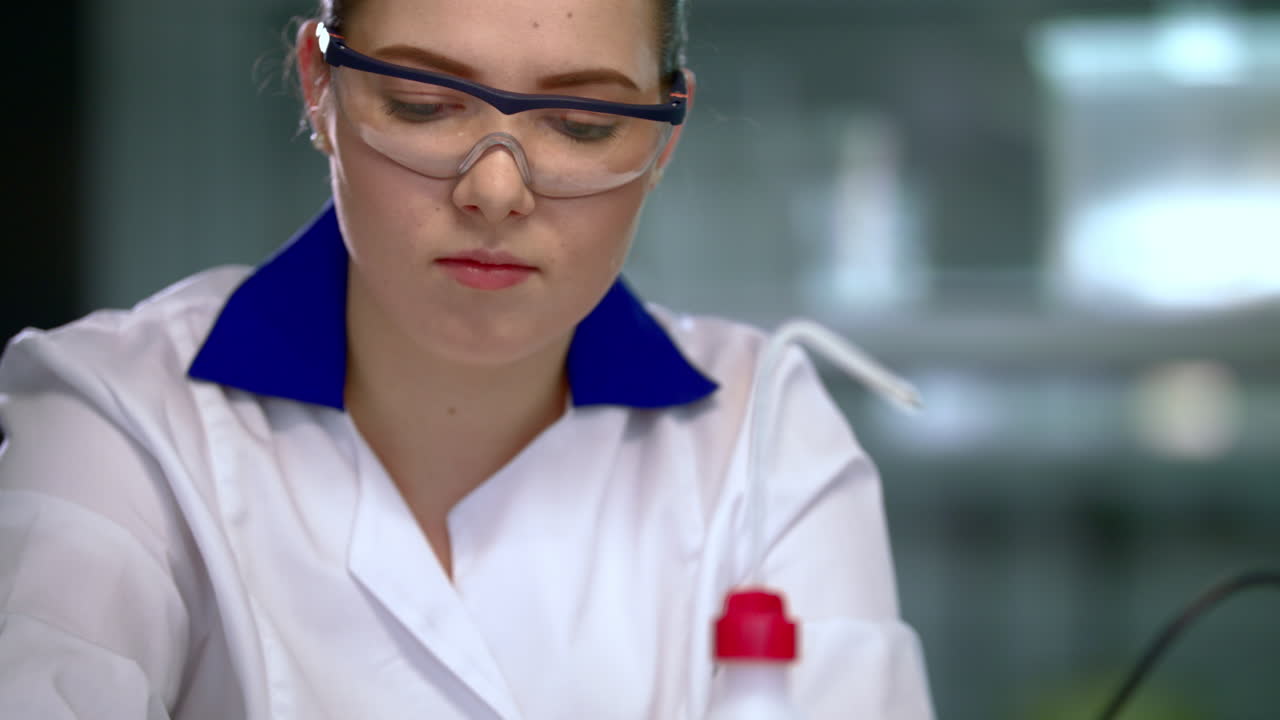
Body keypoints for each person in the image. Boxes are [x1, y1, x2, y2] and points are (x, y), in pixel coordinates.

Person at [0, 0, 934, 717]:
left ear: (663, 138)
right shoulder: (117, 415)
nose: (495, 188)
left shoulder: (767, 438)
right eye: (422, 104)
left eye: (582, 123)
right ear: (319, 89)